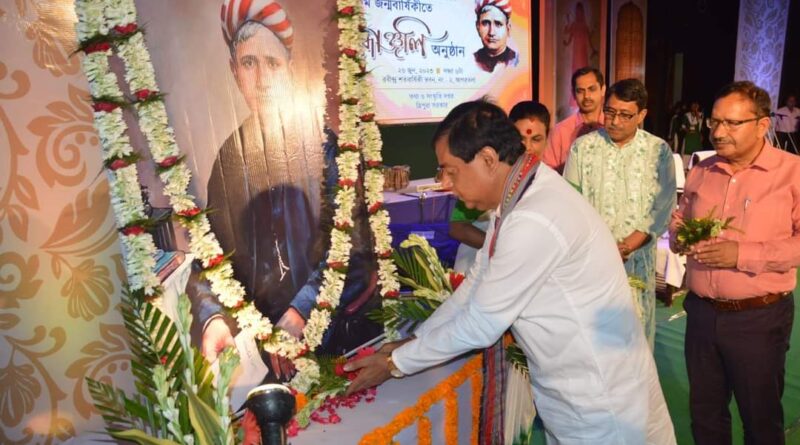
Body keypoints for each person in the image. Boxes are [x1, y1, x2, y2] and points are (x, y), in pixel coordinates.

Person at [346, 99, 676, 444]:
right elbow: (476, 284)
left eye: (451, 171)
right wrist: (416, 340)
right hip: (584, 392)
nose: (447, 184)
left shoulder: (534, 215)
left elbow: (481, 323)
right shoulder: (521, 194)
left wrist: (395, 363)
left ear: (488, 159)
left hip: (602, 403)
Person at [189, 0, 380, 379]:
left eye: (272, 63)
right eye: (249, 63)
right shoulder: (228, 161)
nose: (262, 78)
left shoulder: (326, 150)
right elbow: (210, 257)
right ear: (234, 72)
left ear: (289, 69)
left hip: (331, 343)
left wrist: (302, 310)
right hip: (261, 352)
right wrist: (213, 317)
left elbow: (357, 252)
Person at [669, 81, 800, 444]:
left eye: (731, 123)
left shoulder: (792, 172)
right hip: (701, 313)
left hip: (758, 318)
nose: (718, 131)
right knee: (706, 414)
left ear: (762, 125)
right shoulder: (703, 169)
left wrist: (742, 254)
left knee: (760, 419)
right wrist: (679, 236)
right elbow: (680, 216)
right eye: (714, 121)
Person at [563, 78, 676, 349]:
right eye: (610, 112)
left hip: (638, 261)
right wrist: (599, 248)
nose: (614, 121)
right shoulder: (583, 148)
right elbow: (569, 204)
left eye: (625, 115)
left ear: (642, 115)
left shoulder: (658, 151)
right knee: (592, 337)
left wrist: (627, 245)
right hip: (592, 261)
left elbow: (663, 207)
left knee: (636, 336)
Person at [449, 100, 551, 273]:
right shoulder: (487, 176)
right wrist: (500, 247)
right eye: (521, 138)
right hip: (477, 268)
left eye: (536, 139)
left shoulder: (553, 185)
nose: (528, 147)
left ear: (547, 139)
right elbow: (458, 227)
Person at [542, 66, 605, 173]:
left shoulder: (613, 127)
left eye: (592, 89)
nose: (586, 96)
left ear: (603, 90)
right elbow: (548, 172)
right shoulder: (560, 131)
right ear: (573, 94)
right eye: (580, 91)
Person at [473, 0, 519, 73]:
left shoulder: (515, 61)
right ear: (478, 27)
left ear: (508, 29)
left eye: (498, 24)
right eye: (485, 23)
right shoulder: (473, 60)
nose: (491, 32)